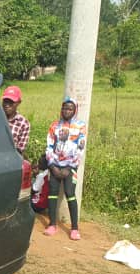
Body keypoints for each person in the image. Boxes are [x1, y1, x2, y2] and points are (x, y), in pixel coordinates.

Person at [44, 97, 87, 240]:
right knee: (52, 193)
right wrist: (52, 165)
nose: (66, 111)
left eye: (69, 109)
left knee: (70, 193)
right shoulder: (55, 126)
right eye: (64, 108)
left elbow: (80, 149)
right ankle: (52, 225)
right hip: (55, 165)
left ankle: (74, 228)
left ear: (75, 111)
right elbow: (49, 146)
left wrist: (69, 167)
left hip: (70, 167)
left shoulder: (80, 126)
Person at [1, 85, 30, 155]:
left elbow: (21, 150)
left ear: (19, 102)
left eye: (11, 102)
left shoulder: (23, 123)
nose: (7, 105)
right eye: (5, 101)